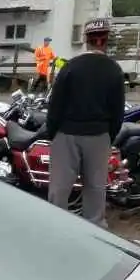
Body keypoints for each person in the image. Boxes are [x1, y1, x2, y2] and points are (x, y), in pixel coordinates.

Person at [44, 17, 124, 227]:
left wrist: (53, 133)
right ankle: (95, 230)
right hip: (98, 136)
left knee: (60, 189)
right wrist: (108, 136)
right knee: (96, 188)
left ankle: (55, 228)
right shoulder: (114, 70)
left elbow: (55, 105)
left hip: (66, 134)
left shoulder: (71, 67)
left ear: (86, 40)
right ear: (105, 41)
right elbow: (118, 112)